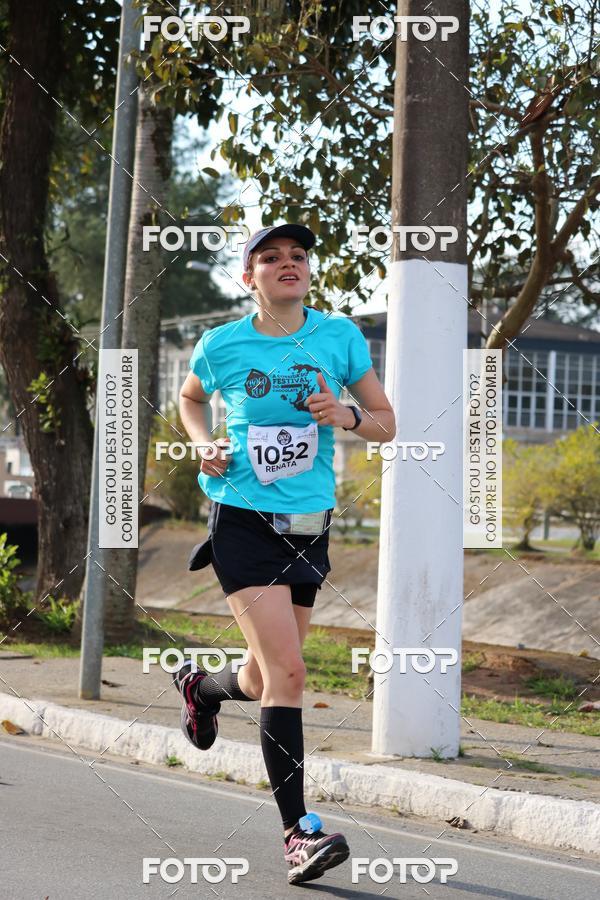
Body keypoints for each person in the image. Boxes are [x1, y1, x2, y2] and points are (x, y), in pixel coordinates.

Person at [175, 223, 396, 886]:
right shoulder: (223, 344)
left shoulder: (339, 337)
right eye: (270, 258)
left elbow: (389, 421)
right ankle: (298, 835)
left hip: (310, 524)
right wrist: (201, 442)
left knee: (265, 674)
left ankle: (200, 688)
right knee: (292, 674)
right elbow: (189, 400)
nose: (287, 264)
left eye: (297, 256)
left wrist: (348, 418)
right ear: (249, 278)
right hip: (241, 520)